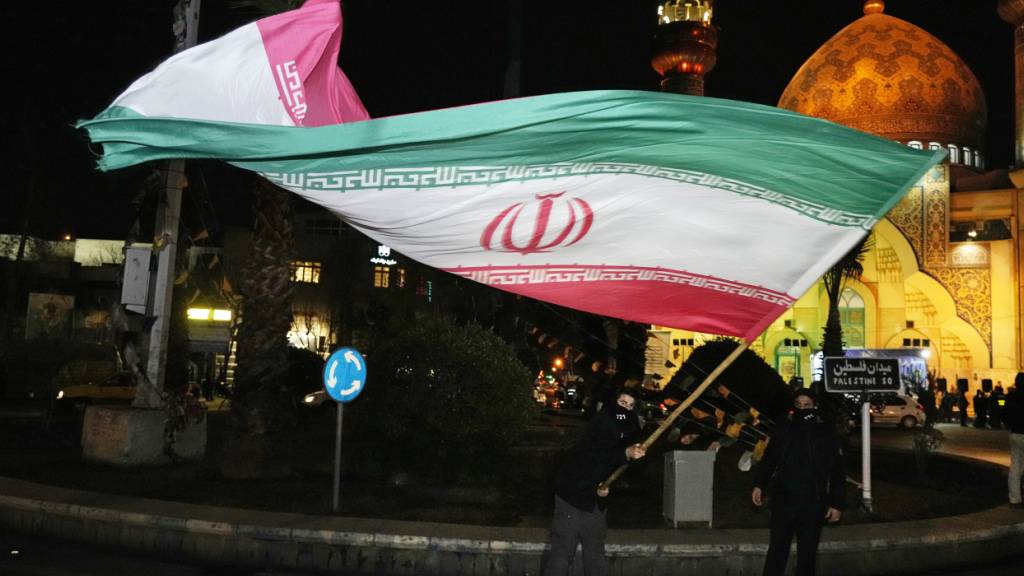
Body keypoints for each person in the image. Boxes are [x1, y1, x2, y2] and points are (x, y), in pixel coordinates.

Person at [544, 388, 646, 576]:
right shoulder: (601, 422)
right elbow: (598, 454)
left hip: (595, 501)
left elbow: (620, 466)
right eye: (622, 403)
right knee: (562, 552)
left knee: (595, 553)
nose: (626, 409)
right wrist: (625, 452)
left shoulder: (627, 428)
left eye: (631, 406)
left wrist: (606, 486)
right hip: (571, 495)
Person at [752, 389, 845, 576]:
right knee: (777, 550)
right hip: (784, 500)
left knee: (807, 555)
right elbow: (770, 458)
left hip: (813, 502)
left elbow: (837, 469)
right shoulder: (784, 427)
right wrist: (759, 484)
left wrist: (837, 503)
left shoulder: (825, 431)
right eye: (798, 405)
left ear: (815, 406)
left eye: (807, 405)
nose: (802, 409)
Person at [1006, 375, 1024, 508]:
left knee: (1015, 466)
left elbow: (1004, 414)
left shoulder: (1010, 396)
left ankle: (1014, 498)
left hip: (1015, 433)